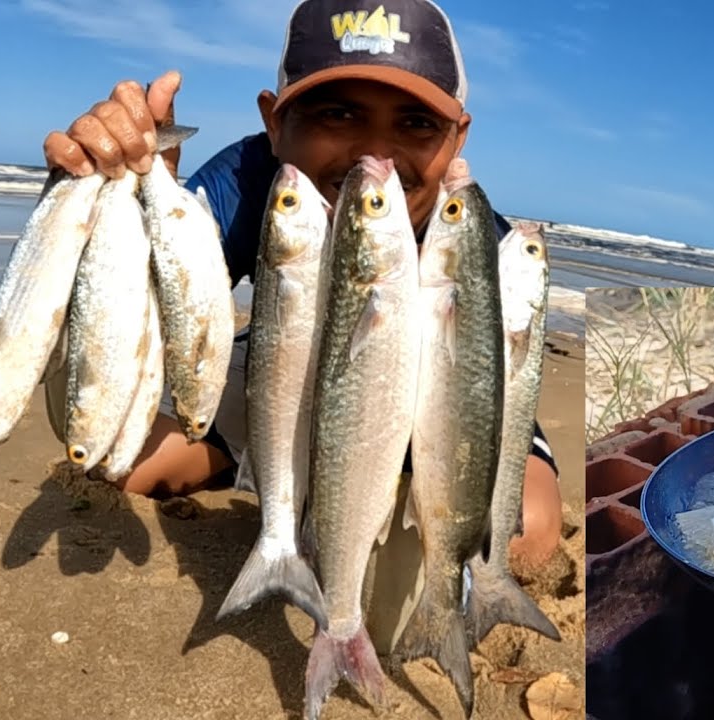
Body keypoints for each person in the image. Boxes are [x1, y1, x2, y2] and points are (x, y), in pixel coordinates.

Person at [41, 0, 563, 570]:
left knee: (524, 533)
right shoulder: (248, 183)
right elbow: (142, 331)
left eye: (416, 124)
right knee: (116, 458)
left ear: (456, 138)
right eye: (337, 115)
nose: (375, 157)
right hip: (283, 365)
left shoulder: (472, 241)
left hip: (435, 395)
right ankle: (251, 458)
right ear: (274, 121)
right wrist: (120, 213)